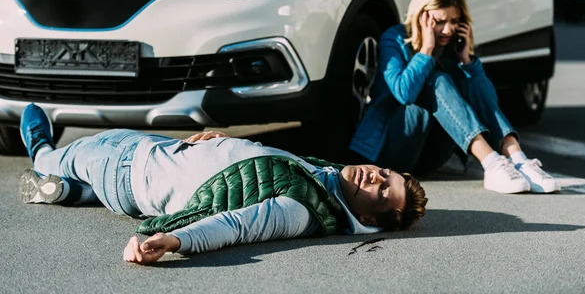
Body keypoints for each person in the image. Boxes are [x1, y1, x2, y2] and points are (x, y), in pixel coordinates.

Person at [18, 103, 428, 265]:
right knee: (84, 176)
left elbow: (236, 225)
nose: (374, 176)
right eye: (384, 173)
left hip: (127, 169)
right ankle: (72, 193)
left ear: (366, 218)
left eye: (380, 190)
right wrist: (223, 142)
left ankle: (41, 154)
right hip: (158, 151)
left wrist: (173, 240)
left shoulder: (301, 210)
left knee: (61, 155)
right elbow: (255, 170)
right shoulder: (325, 177)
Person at [350, 0, 557, 194]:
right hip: (392, 149)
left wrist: (467, 60)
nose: (448, 30)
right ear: (422, 15)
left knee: (468, 83)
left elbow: (487, 101)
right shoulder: (394, 39)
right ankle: (492, 164)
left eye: (454, 21)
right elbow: (404, 94)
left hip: (432, 155)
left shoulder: (451, 47)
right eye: (440, 21)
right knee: (436, 79)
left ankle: (518, 158)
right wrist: (426, 51)